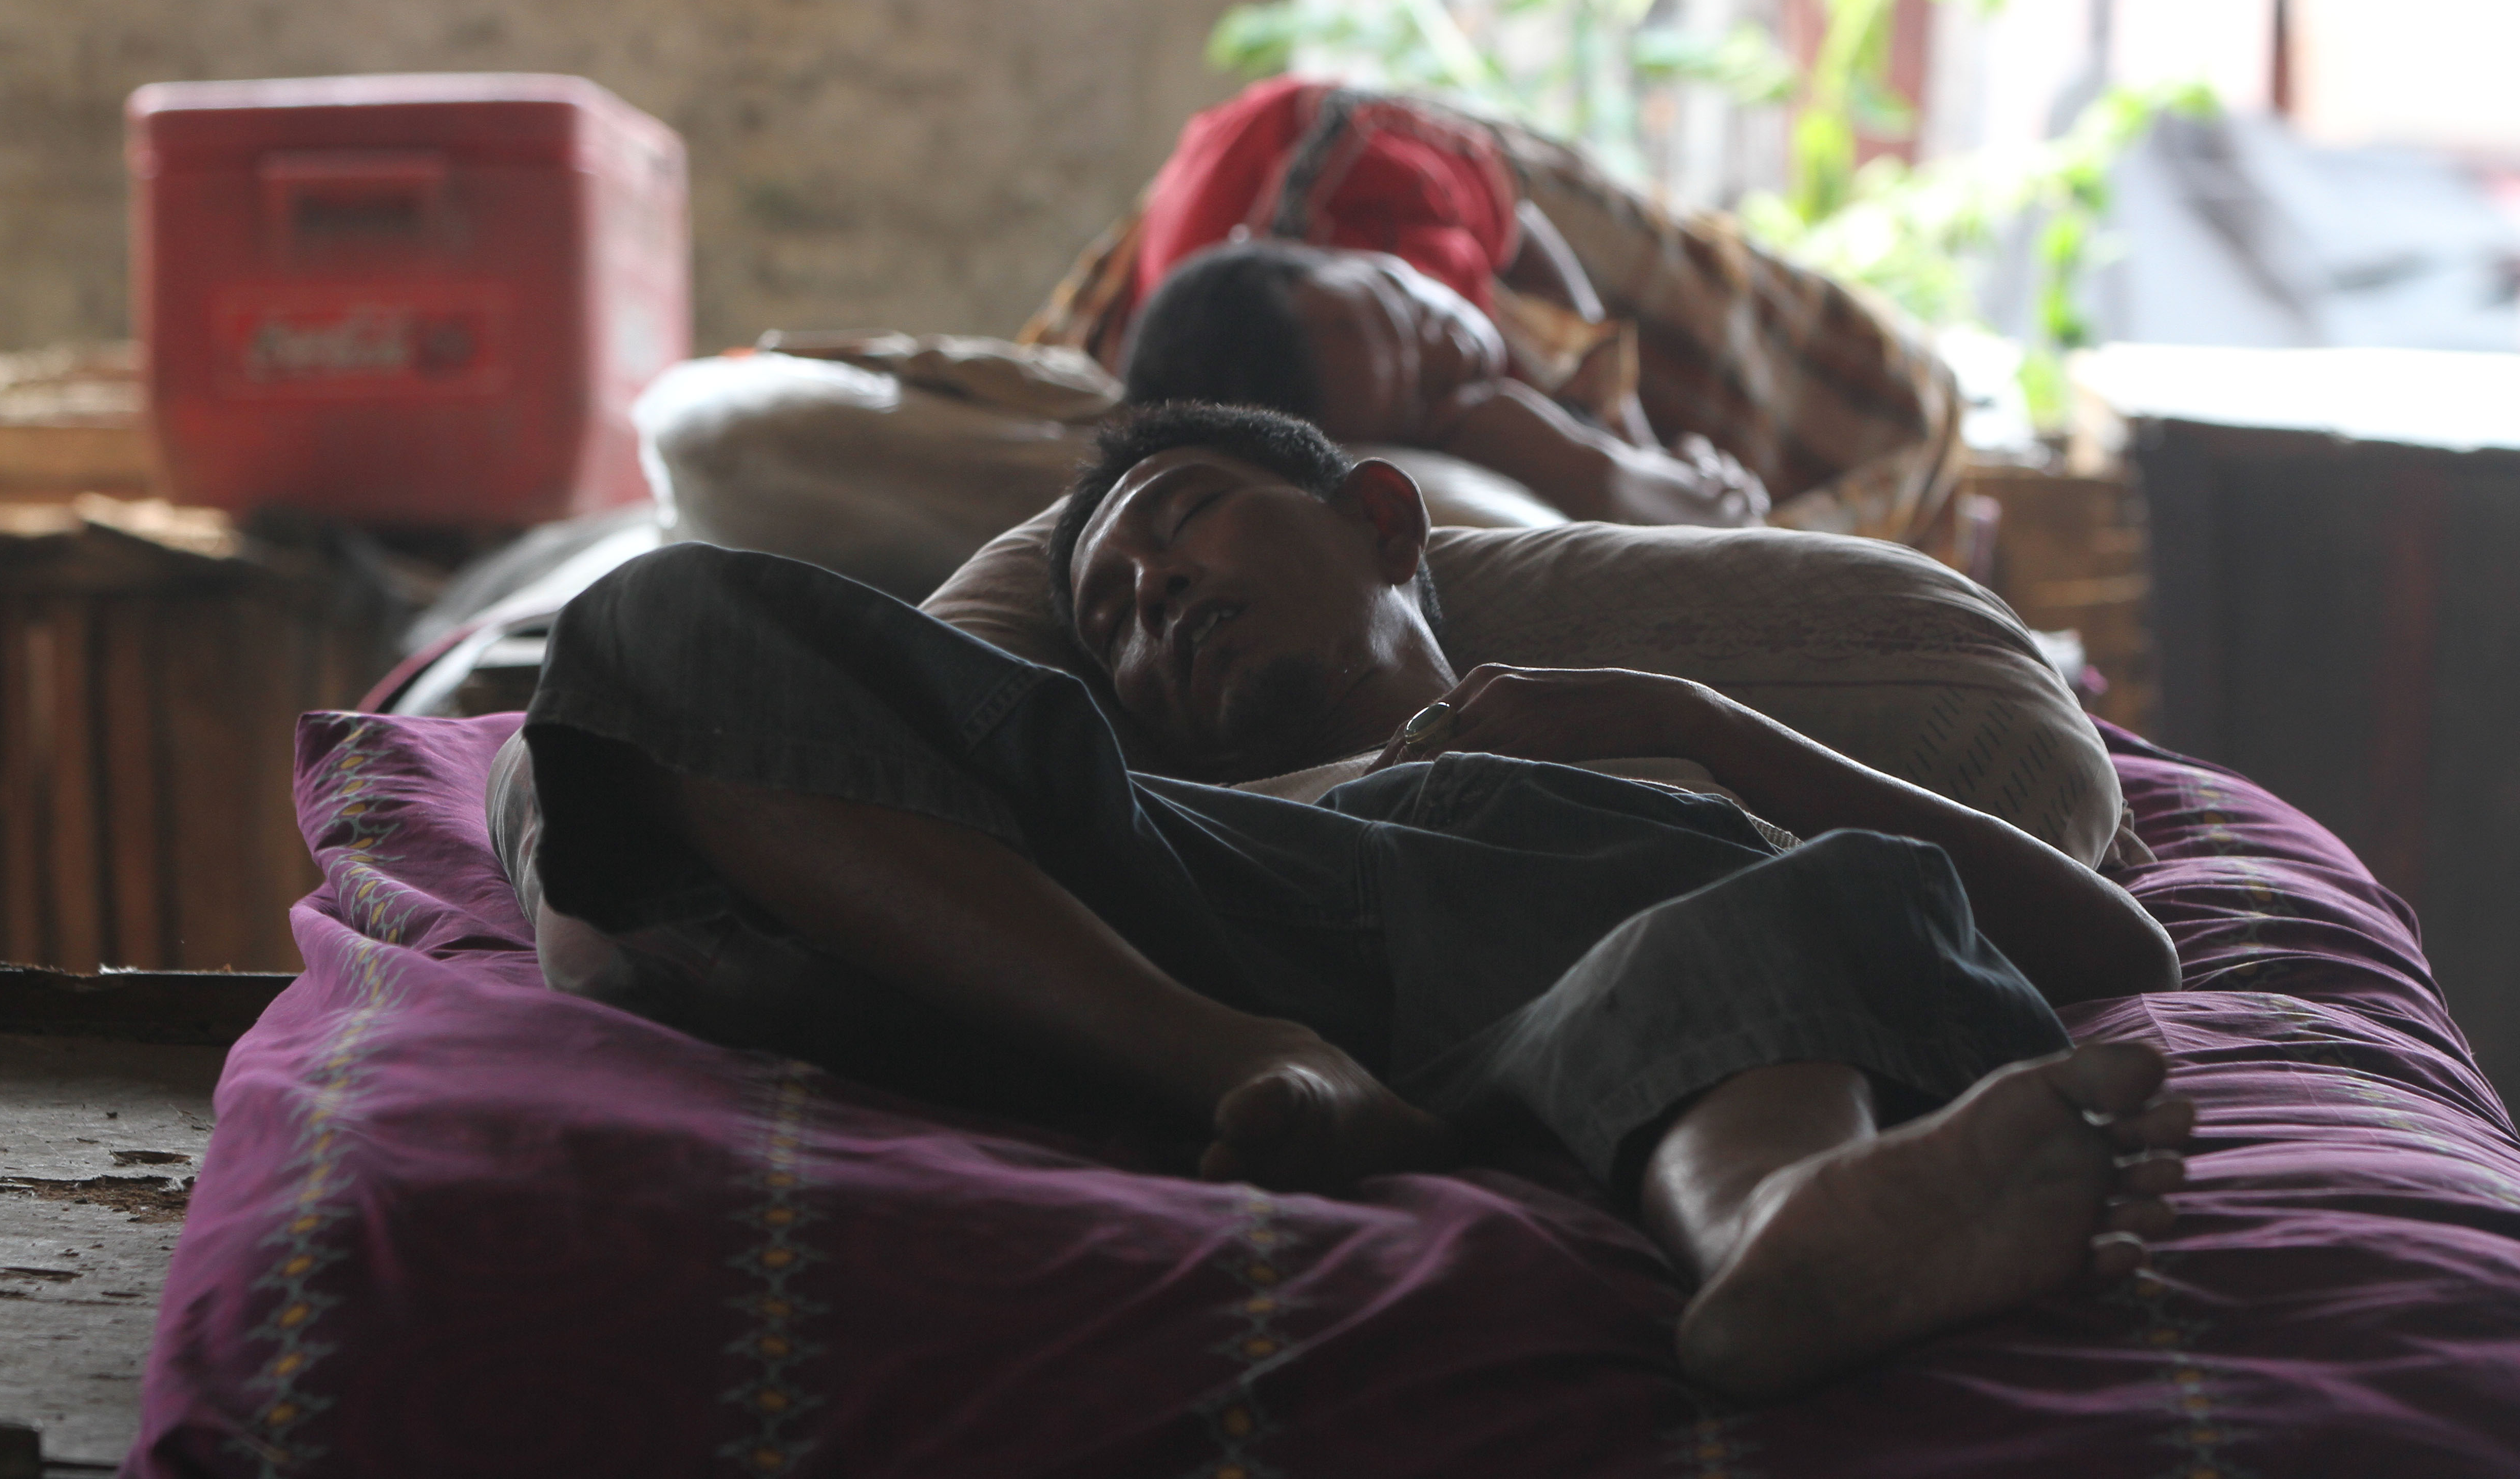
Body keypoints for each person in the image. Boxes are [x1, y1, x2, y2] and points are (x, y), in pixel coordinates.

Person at [494, 402, 2191, 1402]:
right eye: (1111, 621)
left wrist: (1686, 723)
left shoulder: (1662, 775)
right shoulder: (1147, 809)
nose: (1146, 593)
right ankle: (1229, 1053)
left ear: (1381, 518)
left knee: (1792, 897)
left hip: (1594, 964)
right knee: (649, 628)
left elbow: (2120, 948)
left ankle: (1781, 1231)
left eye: (1180, 524)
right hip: (1220, 917)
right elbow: (692, 699)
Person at [1114, 76, 1766, 529]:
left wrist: (1633, 436)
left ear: (1337, 255)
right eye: (1423, 394)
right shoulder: (1401, 415)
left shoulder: (1356, 167)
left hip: (1514, 220)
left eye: (1404, 310)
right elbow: (1690, 520)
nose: (1455, 351)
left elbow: (1518, 216)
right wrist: (1586, 463)